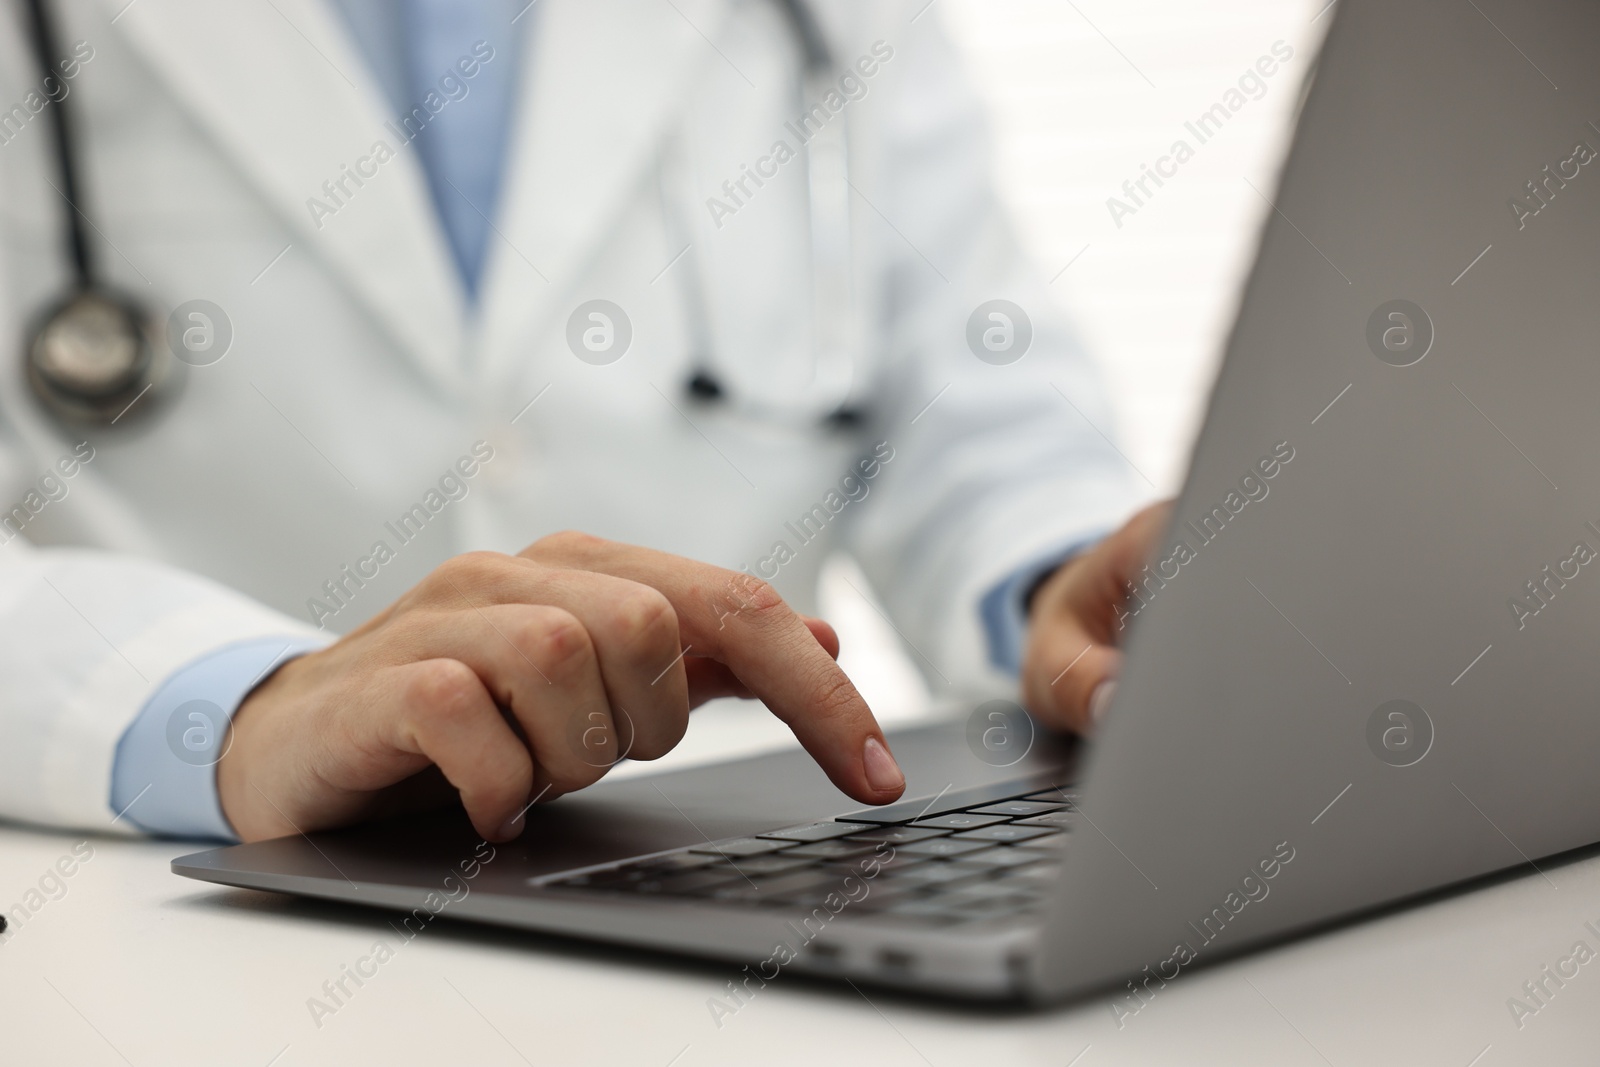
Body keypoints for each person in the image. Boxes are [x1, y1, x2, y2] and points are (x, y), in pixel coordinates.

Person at [0, 0, 1158, 844]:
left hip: (705, 873)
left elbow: (974, 398)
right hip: (173, 905)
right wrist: (231, 703)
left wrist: (1051, 584)